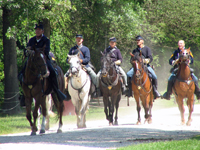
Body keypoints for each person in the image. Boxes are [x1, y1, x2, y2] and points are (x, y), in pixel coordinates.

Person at [18, 23, 66, 106]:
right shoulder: (32, 40)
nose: (37, 31)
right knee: (21, 74)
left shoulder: (46, 40)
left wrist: (35, 51)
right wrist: (27, 51)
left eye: (39, 29)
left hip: (43, 60)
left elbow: (46, 51)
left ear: (42, 31)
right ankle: (24, 93)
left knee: (53, 72)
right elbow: (27, 49)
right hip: (32, 61)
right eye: (36, 29)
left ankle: (56, 90)